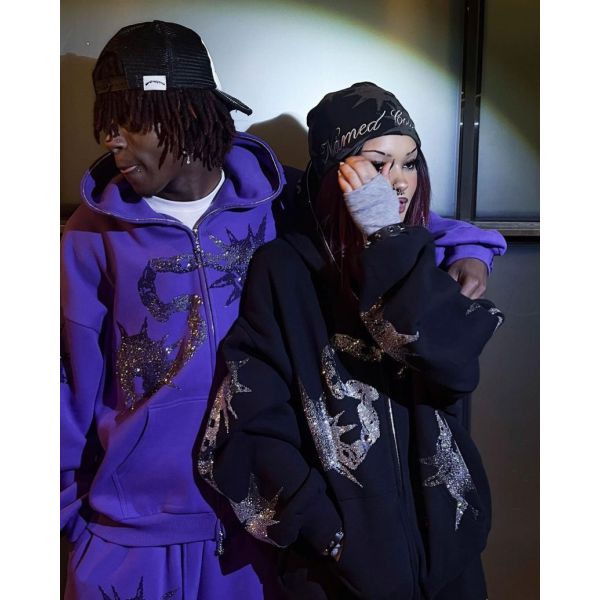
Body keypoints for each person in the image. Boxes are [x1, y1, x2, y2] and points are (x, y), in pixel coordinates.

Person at [60, 19, 503, 598]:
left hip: (256, 537)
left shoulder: (278, 198)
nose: (110, 139)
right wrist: (69, 528)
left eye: (131, 118)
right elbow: (65, 389)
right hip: (133, 533)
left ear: (189, 112)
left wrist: (470, 246)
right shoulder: (89, 235)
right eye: (106, 122)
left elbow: (386, 219)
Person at [198, 82, 504, 599]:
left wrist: (389, 241)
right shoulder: (285, 271)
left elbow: (452, 364)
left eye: (410, 163)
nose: (398, 182)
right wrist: (328, 534)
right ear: (332, 170)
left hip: (448, 567)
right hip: (336, 577)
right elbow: (248, 422)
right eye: (378, 164)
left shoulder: (422, 263)